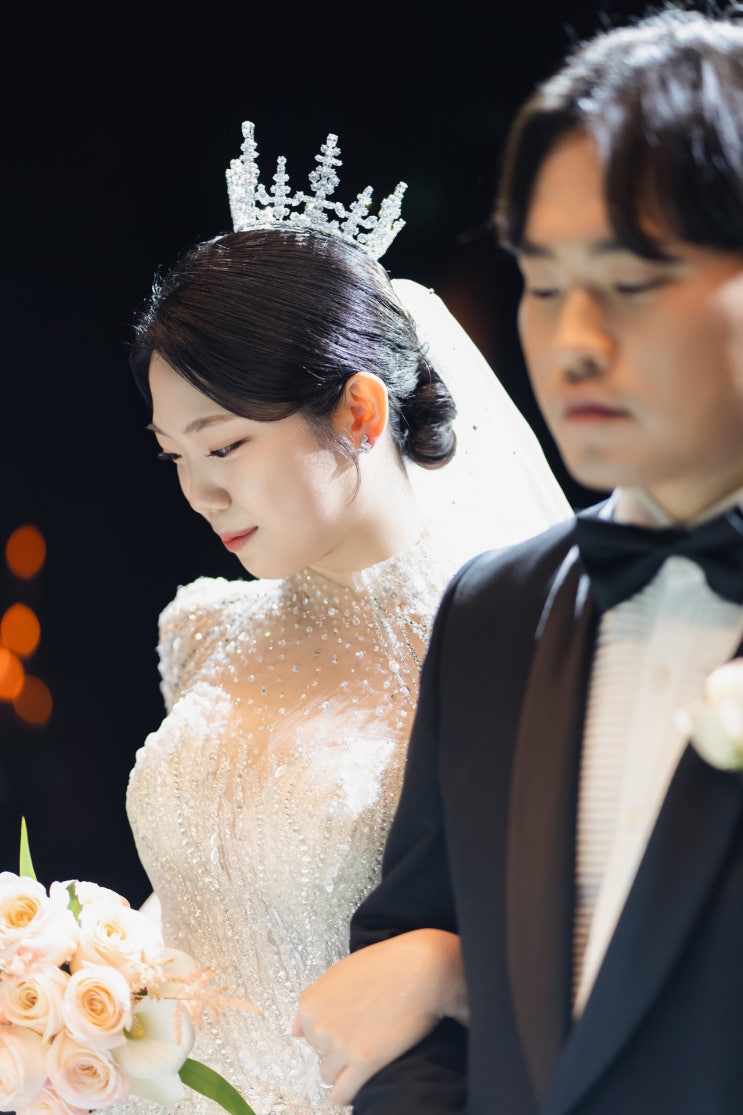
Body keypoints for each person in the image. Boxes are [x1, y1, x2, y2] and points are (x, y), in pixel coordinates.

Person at [293, 6, 743, 1113]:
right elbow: (405, 970)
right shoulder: (494, 610)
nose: (573, 339)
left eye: (630, 281)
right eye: (543, 282)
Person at [118, 123, 570, 1115]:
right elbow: (205, 906)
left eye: (224, 445)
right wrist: (82, 977)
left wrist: (450, 966)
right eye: (174, 456)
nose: (199, 492)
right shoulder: (205, 629)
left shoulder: (495, 645)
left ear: (359, 413)